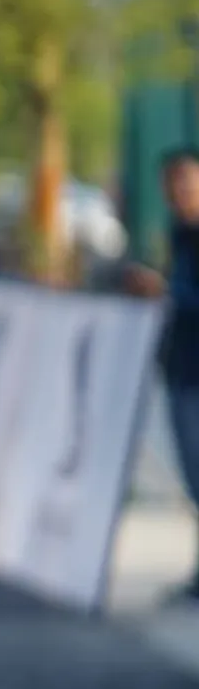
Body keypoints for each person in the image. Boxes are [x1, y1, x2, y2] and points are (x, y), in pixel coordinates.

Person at [125, 149, 199, 601]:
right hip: (181, 368)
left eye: (189, 184)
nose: (182, 194)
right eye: (174, 185)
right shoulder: (178, 233)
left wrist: (167, 290)